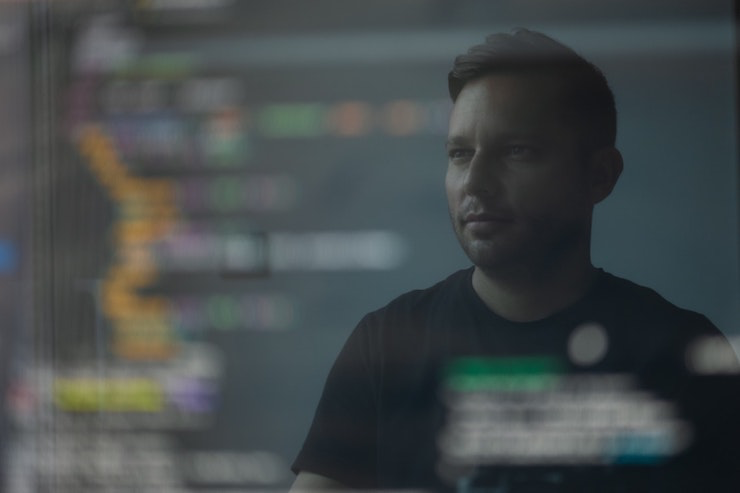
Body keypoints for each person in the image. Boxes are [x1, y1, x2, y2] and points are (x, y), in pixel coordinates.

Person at [290, 29, 738, 492]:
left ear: (600, 175)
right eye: (460, 154)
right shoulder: (384, 345)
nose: (476, 183)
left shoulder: (679, 356)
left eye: (517, 151)